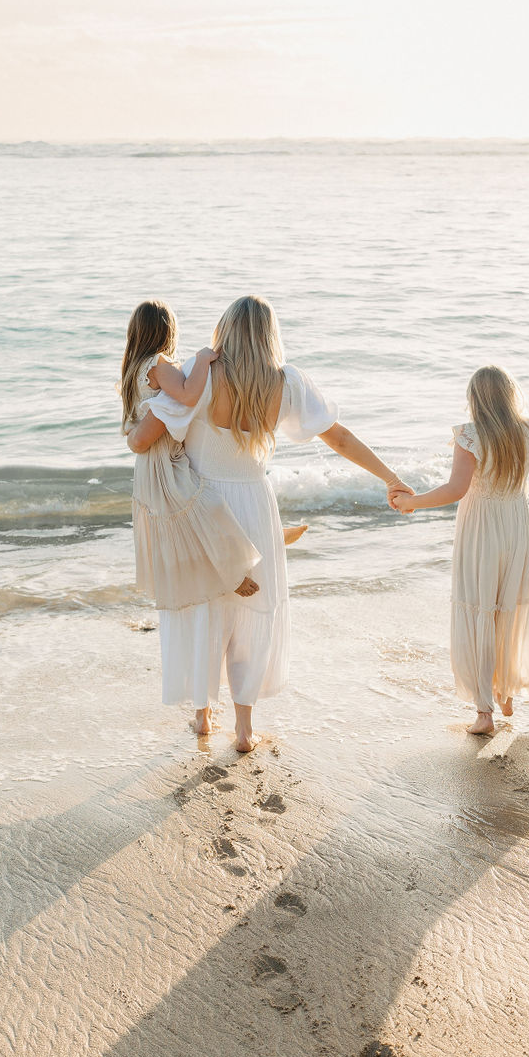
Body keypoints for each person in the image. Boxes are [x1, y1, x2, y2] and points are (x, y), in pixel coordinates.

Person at [126, 295, 411, 750]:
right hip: (256, 504)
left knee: (206, 611)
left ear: (225, 329)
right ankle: (244, 728)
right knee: (251, 616)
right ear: (269, 335)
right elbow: (337, 436)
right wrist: (390, 477)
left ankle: (202, 717)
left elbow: (149, 435)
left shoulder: (199, 381)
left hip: (207, 508)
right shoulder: (287, 384)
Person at [391, 366, 529, 736]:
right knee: (508, 606)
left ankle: (484, 712)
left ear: (475, 400)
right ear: (510, 395)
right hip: (515, 524)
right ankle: (507, 690)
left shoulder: (470, 436)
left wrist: (413, 502)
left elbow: (455, 490)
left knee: (479, 605)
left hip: (481, 528)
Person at [120, 299, 261, 613]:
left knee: (180, 519)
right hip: (161, 457)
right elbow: (187, 394)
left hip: (147, 463)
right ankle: (234, 573)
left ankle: (230, 563)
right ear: (168, 331)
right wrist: (201, 360)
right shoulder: (158, 362)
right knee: (203, 507)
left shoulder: (134, 369)